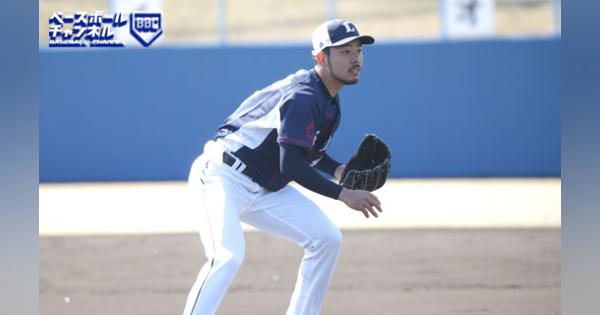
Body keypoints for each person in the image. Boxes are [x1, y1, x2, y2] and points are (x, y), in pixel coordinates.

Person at [182, 19, 382, 315]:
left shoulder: (329, 100)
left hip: (264, 187)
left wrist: (339, 170)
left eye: (358, 50)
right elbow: (291, 166)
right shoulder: (304, 97)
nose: (355, 58)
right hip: (222, 176)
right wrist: (343, 194)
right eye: (344, 51)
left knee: (326, 239)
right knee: (226, 256)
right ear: (320, 58)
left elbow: (306, 153)